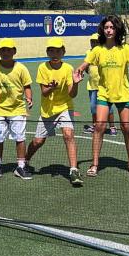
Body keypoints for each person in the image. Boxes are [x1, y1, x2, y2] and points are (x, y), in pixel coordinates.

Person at [76, 15, 129, 177]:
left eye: (112, 28)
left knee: (126, 128)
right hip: (103, 94)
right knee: (99, 127)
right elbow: (82, 66)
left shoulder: (126, 49)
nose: (109, 30)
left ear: (117, 30)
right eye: (106, 27)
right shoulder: (97, 50)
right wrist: (78, 73)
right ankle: (95, 165)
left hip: (123, 94)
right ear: (103, 30)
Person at [25, 37, 84, 186]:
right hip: (48, 110)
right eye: (51, 50)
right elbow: (44, 92)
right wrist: (51, 86)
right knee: (38, 141)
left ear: (63, 52)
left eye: (58, 51)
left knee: (68, 134)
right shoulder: (42, 68)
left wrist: (76, 84)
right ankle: (24, 160)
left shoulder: (68, 68)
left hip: (65, 106)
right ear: (47, 52)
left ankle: (73, 170)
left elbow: (72, 94)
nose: (55, 54)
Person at [0, 38, 33, 179]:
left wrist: (29, 98)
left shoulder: (21, 68)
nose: (5, 52)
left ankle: (21, 167)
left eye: (9, 50)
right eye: (3, 50)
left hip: (18, 108)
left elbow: (27, 87)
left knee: (20, 138)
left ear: (14, 51)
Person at [84, 33, 118, 136]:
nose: (93, 43)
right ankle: (95, 126)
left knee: (109, 108)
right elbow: (86, 66)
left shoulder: (104, 52)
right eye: (92, 41)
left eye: (96, 41)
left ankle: (112, 127)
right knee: (93, 107)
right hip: (92, 86)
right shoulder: (88, 52)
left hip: (103, 86)